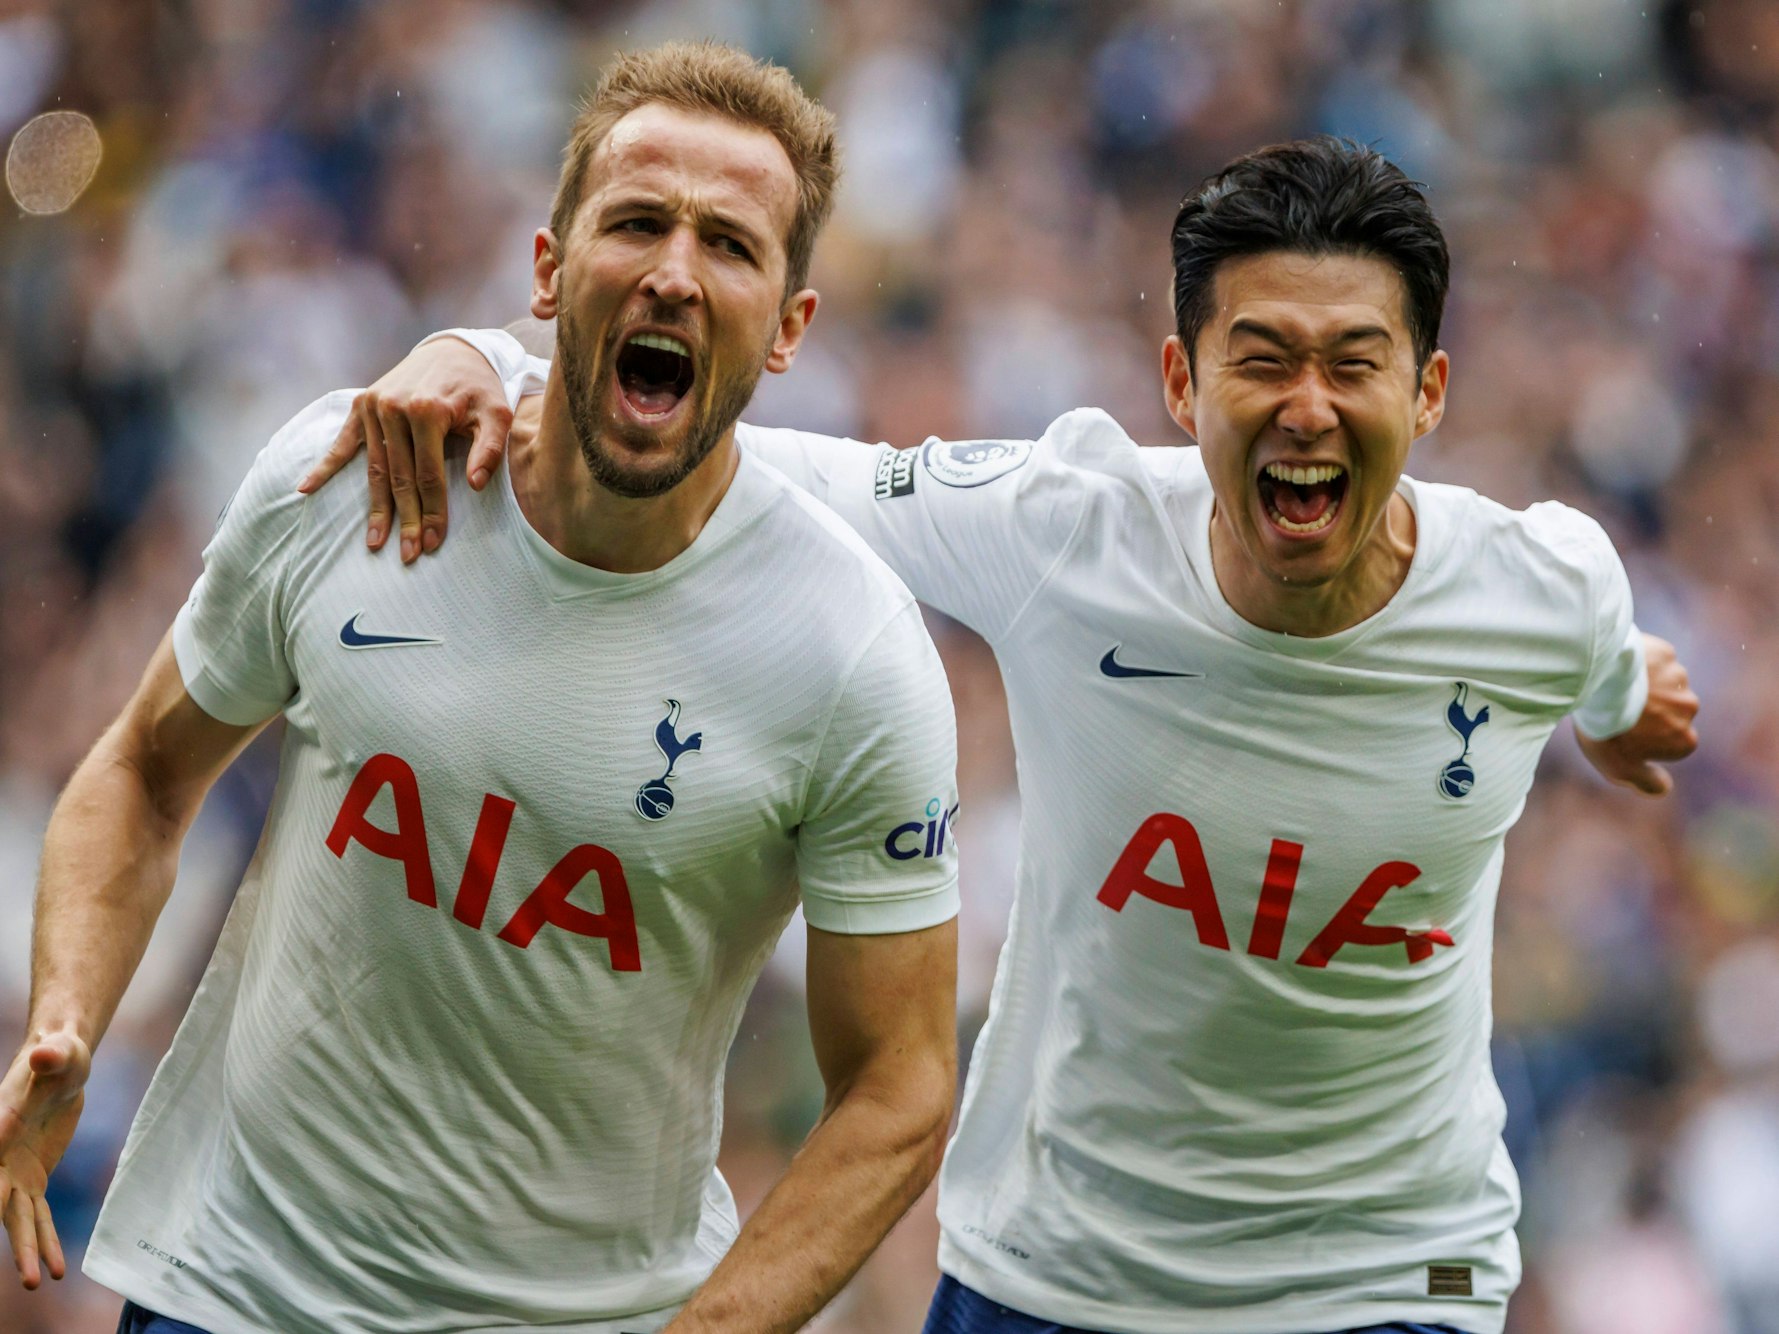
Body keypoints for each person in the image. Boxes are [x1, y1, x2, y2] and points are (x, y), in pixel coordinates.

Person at [306, 138, 1699, 1334]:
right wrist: (485, 354)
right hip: (1056, 1271)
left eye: (1355, 364)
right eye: (1263, 359)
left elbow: (1603, 659)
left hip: (1385, 1276)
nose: (1308, 408)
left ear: (1430, 393)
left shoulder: (1542, 585)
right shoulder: (1068, 531)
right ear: (1181, 381)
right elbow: (750, 460)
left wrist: (1628, 701)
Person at [0, 42, 965, 1334]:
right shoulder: (350, 476)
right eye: (638, 222)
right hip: (233, 1289)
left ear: (789, 325)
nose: (675, 272)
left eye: (731, 245)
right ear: (549, 270)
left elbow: (899, 1088)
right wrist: (67, 1015)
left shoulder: (852, 653)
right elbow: (142, 773)